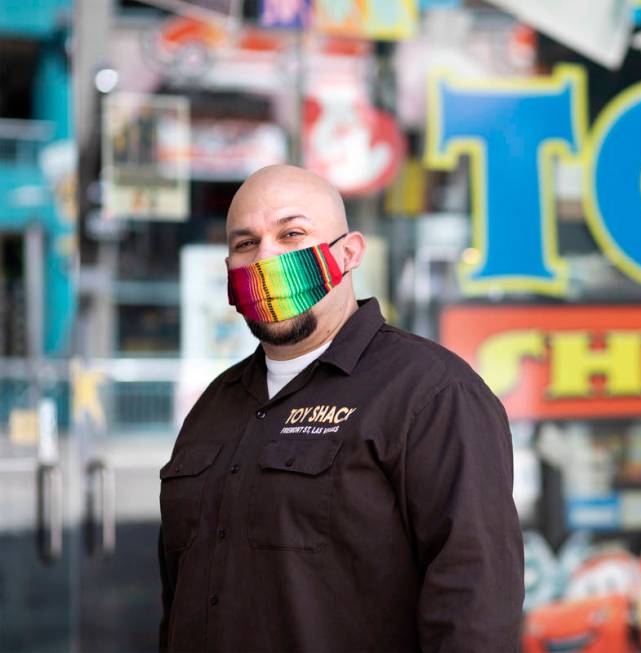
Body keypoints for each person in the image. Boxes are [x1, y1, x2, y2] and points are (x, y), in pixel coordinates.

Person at [158, 165, 524, 652]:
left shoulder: (432, 394)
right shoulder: (214, 407)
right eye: (246, 244)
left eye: (292, 234)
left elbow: (475, 612)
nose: (266, 256)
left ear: (349, 253)